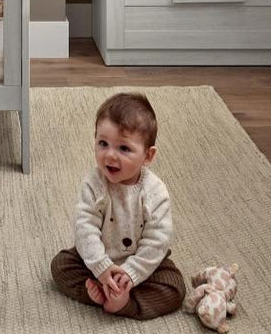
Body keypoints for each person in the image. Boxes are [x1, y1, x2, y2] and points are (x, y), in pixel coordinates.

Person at [50, 92, 186, 320]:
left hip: (141, 261)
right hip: (99, 257)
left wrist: (132, 273)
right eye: (103, 144)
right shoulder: (93, 184)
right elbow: (85, 228)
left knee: (175, 287)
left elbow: (157, 240)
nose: (110, 156)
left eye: (124, 148)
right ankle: (100, 292)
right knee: (61, 266)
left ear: (148, 156)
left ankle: (125, 302)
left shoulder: (155, 192)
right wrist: (101, 267)